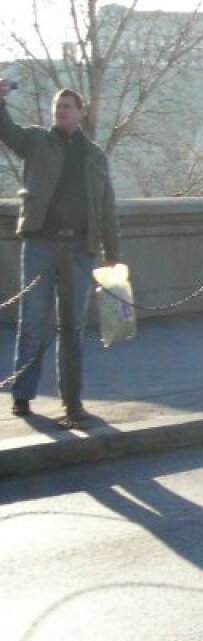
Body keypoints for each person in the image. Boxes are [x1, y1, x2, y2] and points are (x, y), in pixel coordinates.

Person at [1, 80, 120, 429]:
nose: (61, 110)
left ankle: (72, 401)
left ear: (81, 113)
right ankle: (22, 396)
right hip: (41, 243)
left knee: (73, 327)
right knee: (33, 321)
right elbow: (6, 131)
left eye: (68, 105)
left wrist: (113, 253)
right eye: (57, 105)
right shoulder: (38, 141)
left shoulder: (95, 156)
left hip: (80, 250)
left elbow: (107, 207)